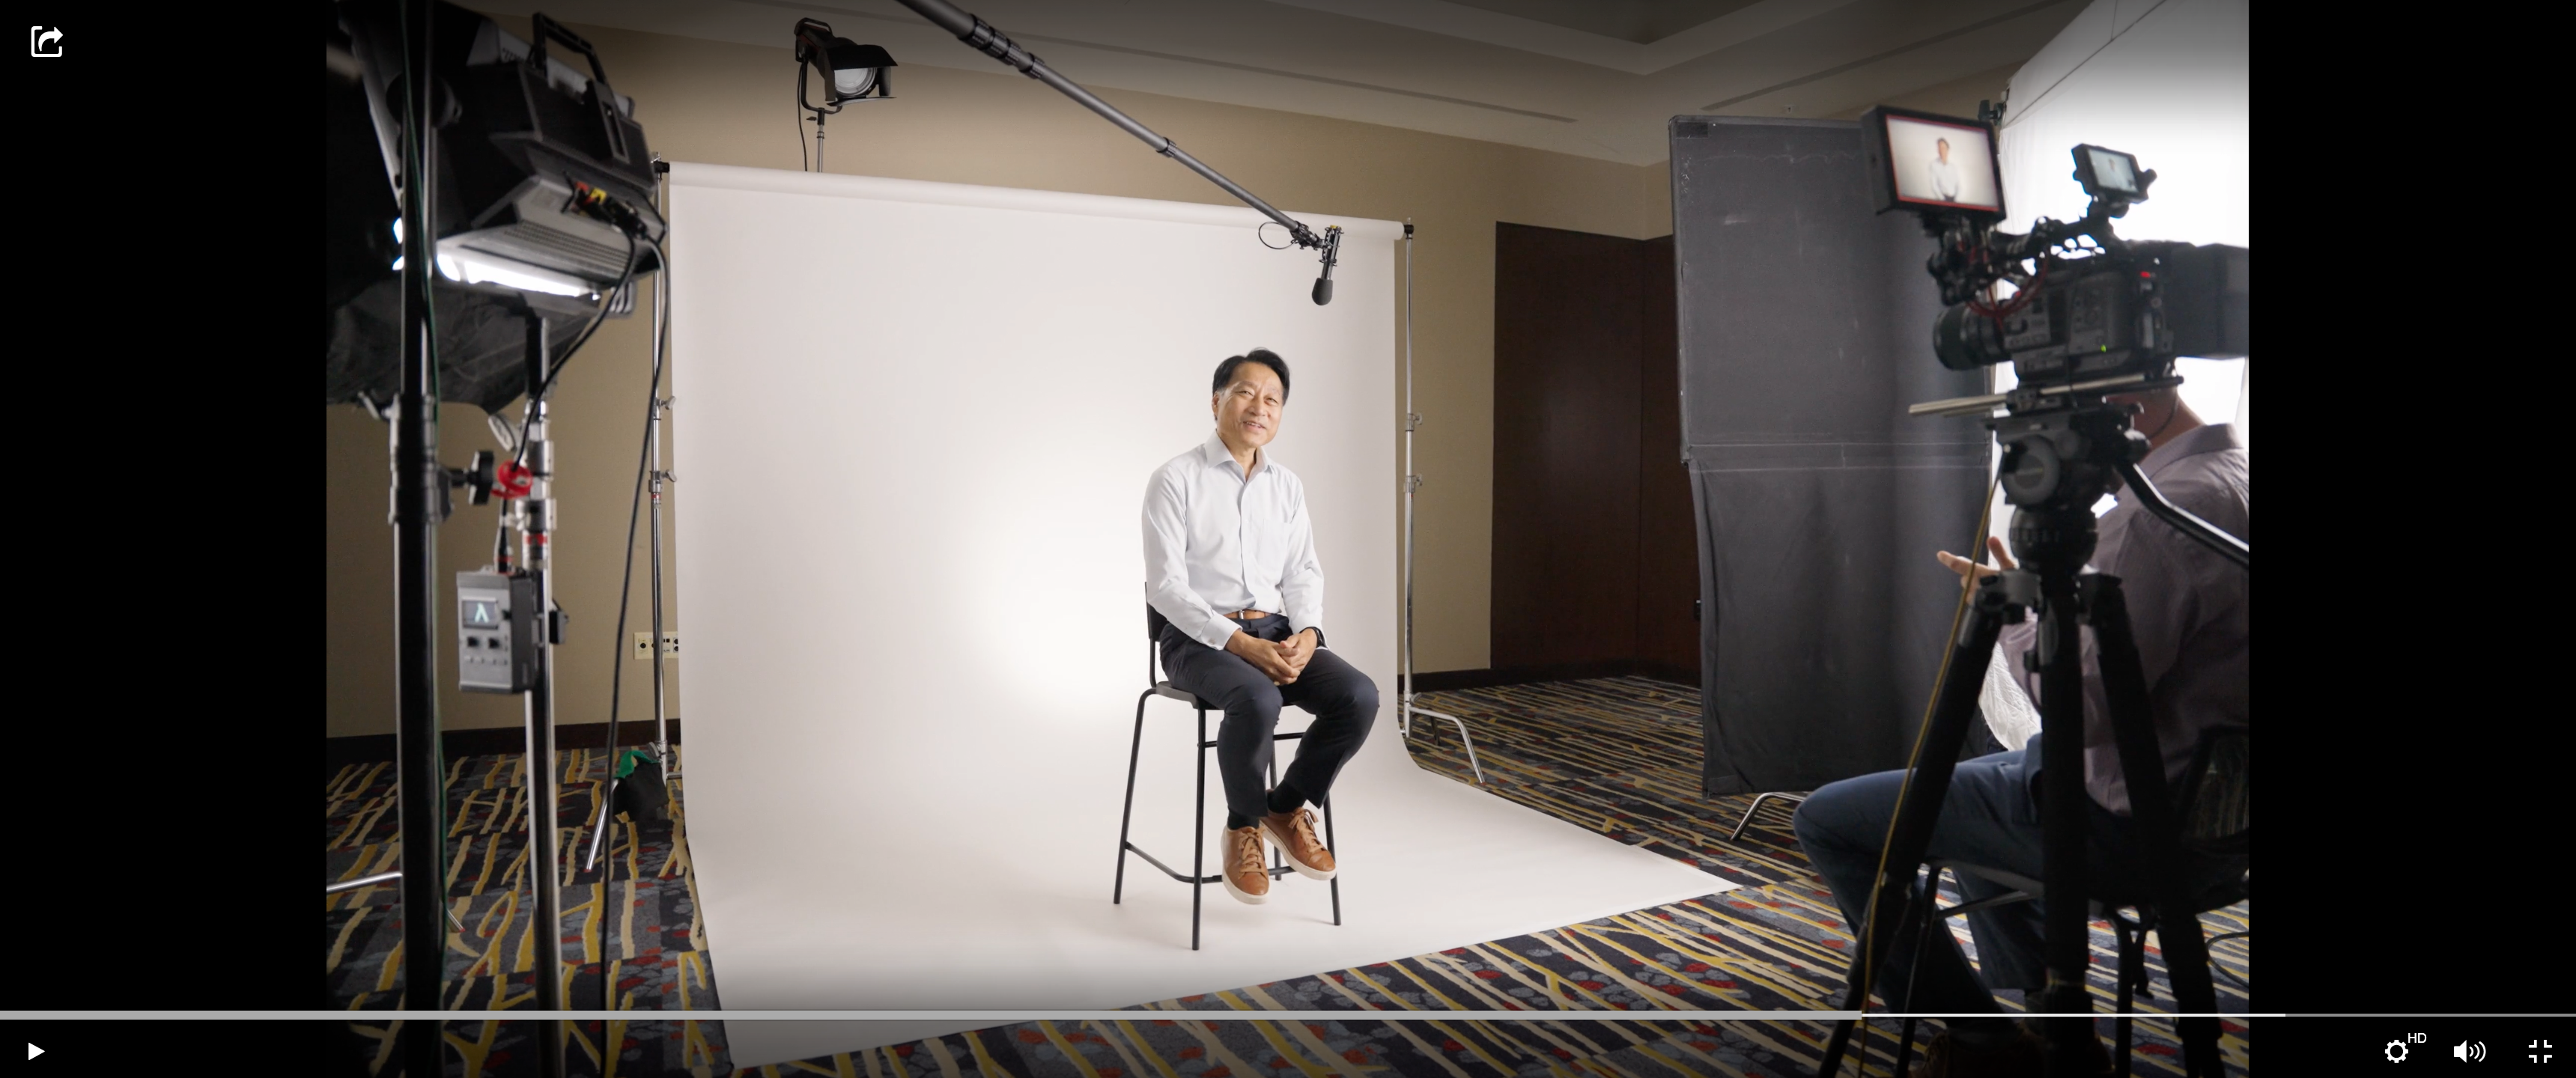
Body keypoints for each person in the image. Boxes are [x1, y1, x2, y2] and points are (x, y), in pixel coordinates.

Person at [1791, 386, 2247, 1075]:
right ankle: (2049, 1017)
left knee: (1828, 821)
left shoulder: (2159, 518)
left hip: (2127, 826)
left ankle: (1985, 1040)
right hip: (2223, 821)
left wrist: (2008, 617)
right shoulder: (2234, 480)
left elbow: (2084, 710)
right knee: (1968, 789)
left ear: (2128, 401)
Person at [1143, 348, 1380, 907]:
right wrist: (1240, 643)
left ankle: (1286, 805)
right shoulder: (1175, 479)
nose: (1260, 406)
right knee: (1256, 698)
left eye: (1272, 399)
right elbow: (1167, 589)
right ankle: (1242, 825)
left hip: (1276, 632)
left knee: (1359, 696)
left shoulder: (1287, 486)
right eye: (1247, 392)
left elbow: (1303, 570)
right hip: (1195, 640)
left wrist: (1308, 635)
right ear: (1217, 401)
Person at [1928, 137, 1965, 203]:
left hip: (1954, 200)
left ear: (1947, 150)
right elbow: (1934, 186)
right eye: (1939, 148)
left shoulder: (1953, 167)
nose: (1941, 151)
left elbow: (1959, 185)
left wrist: (1956, 201)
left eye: (1943, 148)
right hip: (1942, 200)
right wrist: (1942, 200)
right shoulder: (1934, 165)